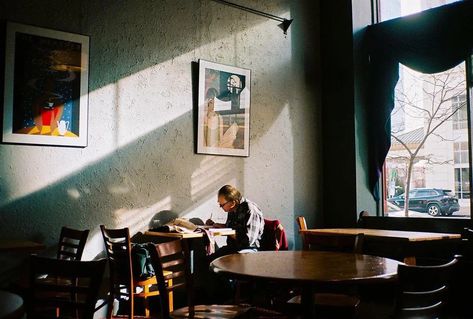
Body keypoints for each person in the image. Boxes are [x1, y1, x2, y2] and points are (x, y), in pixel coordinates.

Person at [205, 184, 265, 260]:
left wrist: (230, 232)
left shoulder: (250, 209)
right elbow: (232, 228)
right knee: (207, 261)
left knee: (215, 263)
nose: (220, 207)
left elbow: (248, 240)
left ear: (233, 203)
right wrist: (216, 225)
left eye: (222, 205)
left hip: (247, 250)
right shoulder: (232, 209)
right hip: (233, 248)